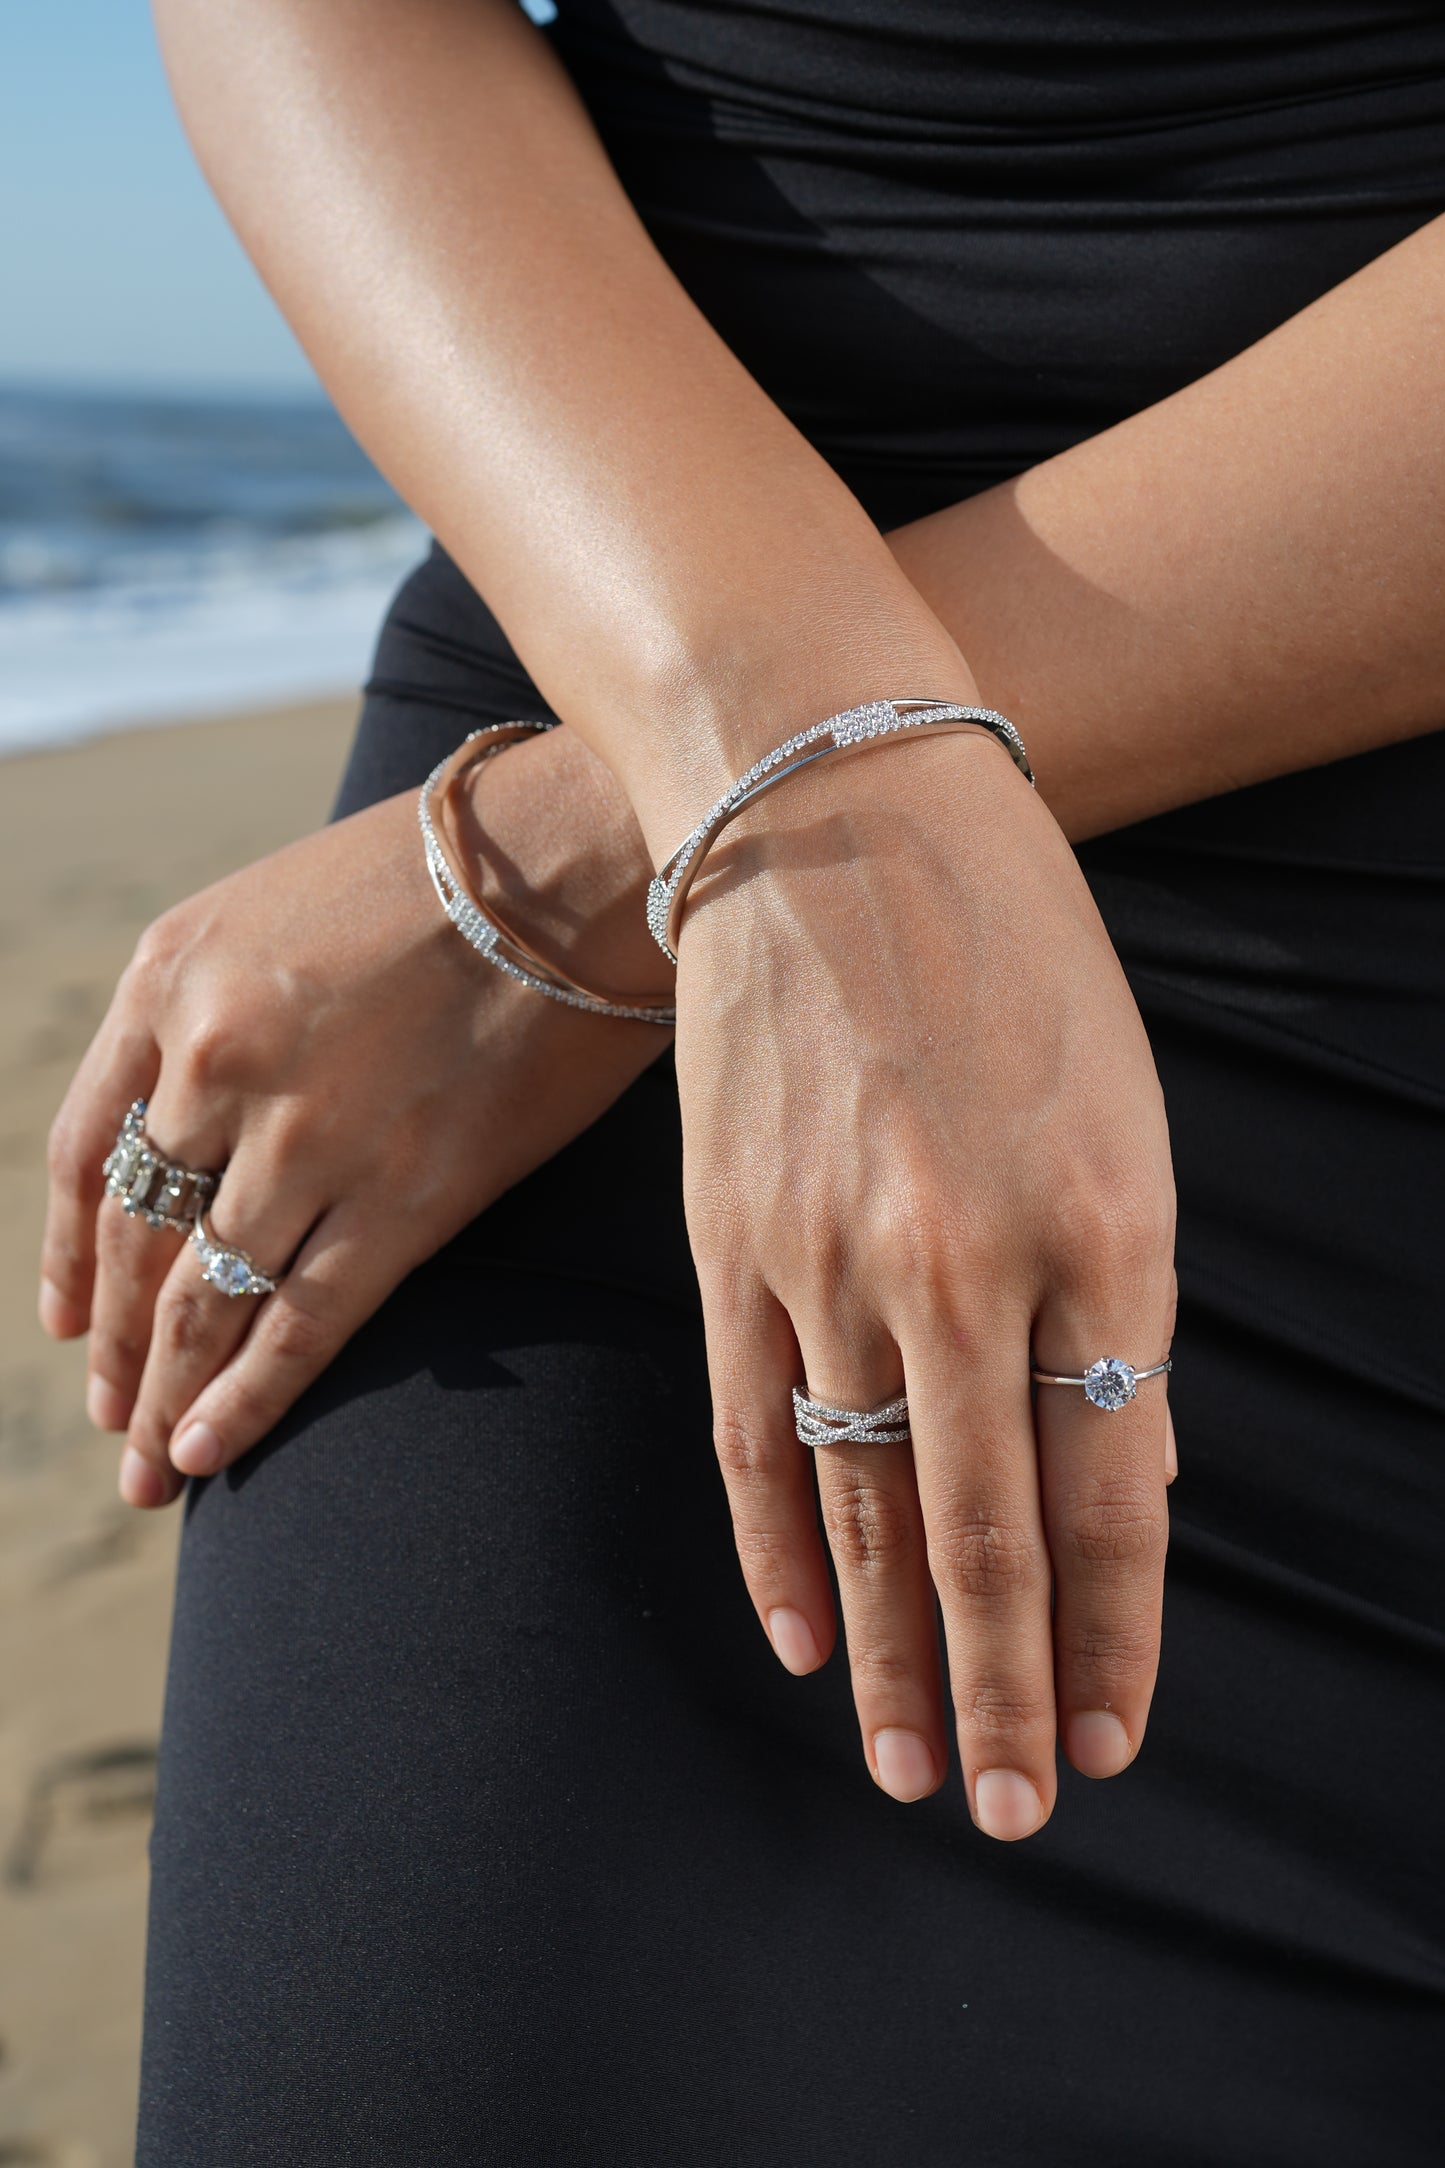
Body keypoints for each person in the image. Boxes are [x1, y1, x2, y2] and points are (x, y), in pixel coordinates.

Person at [40, 0, 1445, 2158]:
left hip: (617, 859)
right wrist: (750, 731)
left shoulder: (602, 864)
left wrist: (675, 834)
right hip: (645, 614)